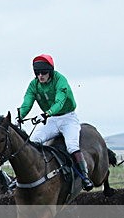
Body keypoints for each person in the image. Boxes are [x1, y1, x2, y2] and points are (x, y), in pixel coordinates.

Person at [17, 54, 94, 191]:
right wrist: (20, 116)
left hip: (68, 117)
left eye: (44, 73)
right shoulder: (34, 85)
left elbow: (60, 101)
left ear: (50, 72)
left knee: (72, 146)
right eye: (37, 73)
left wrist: (47, 113)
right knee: (33, 142)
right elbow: (27, 102)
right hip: (51, 120)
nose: (40, 76)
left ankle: (85, 176)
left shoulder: (60, 80)